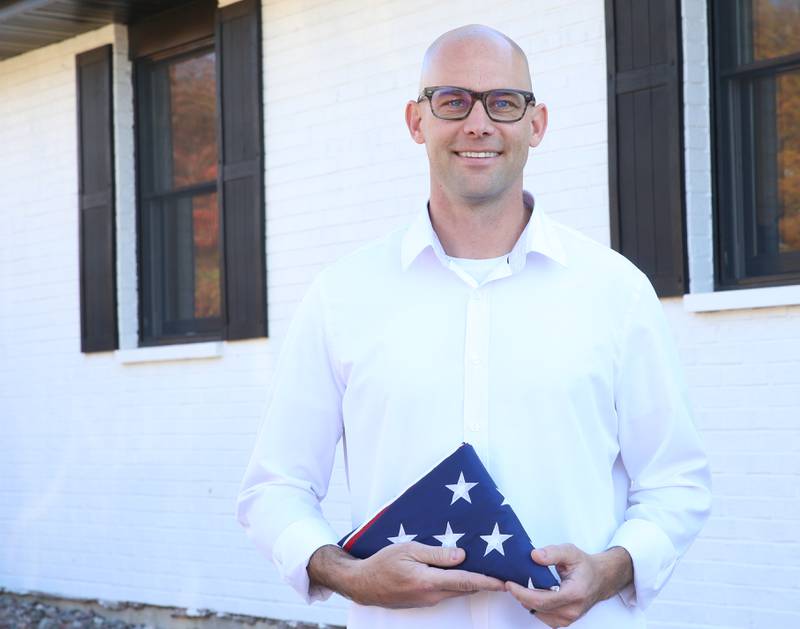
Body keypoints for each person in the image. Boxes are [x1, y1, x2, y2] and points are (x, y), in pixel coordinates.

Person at [236, 24, 712, 629]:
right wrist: (351, 574)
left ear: (536, 124)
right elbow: (274, 486)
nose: (479, 123)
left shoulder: (615, 291)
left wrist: (612, 569)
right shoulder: (342, 294)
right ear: (417, 121)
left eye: (504, 102)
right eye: (453, 100)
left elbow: (676, 482)